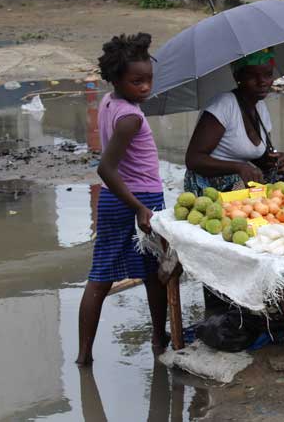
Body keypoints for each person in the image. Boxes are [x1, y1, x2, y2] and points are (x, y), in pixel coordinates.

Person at [77, 33, 168, 366]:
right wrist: (142, 208)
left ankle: (84, 357)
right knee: (155, 274)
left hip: (116, 199)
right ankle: (160, 340)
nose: (145, 87)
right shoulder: (131, 118)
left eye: (148, 80)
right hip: (138, 198)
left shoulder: (110, 102)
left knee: (101, 276)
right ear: (116, 79)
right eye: (137, 82)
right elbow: (105, 167)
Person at [184, 48, 284, 194]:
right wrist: (239, 167)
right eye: (253, 76)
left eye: (268, 75)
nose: (262, 82)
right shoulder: (223, 106)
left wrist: (277, 161)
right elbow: (193, 159)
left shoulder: (261, 107)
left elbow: (260, 157)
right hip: (209, 187)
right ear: (238, 77)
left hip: (239, 183)